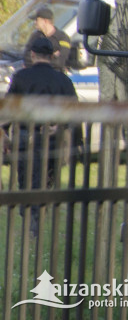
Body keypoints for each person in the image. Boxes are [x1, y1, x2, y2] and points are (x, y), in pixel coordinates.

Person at [7, 36, 78, 237]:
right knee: (47, 179)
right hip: (51, 137)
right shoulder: (63, 79)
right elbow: (74, 109)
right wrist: (61, 126)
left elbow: (9, 109)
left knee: (26, 180)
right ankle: (38, 217)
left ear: (32, 54)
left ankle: (30, 220)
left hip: (24, 136)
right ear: (51, 56)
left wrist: (4, 132)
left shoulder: (20, 77)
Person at [23, 5, 73, 72]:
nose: (35, 22)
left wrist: (38, 59)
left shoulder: (62, 38)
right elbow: (26, 58)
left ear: (45, 21)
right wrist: (52, 56)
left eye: (37, 20)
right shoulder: (35, 36)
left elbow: (60, 62)